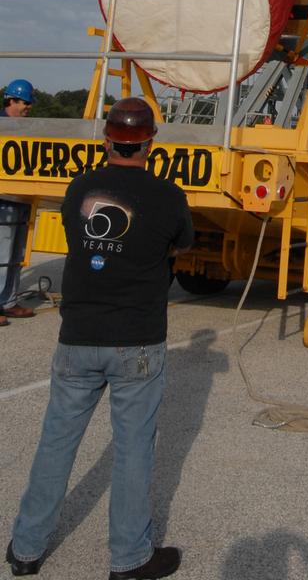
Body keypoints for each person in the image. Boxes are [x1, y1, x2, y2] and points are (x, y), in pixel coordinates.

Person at [7, 97, 193, 580]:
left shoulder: (80, 187)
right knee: (133, 449)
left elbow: (78, 234)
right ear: (150, 143)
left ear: (107, 139)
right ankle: (129, 559)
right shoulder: (169, 196)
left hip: (78, 336)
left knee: (56, 442)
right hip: (137, 340)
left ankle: (25, 550)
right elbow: (182, 242)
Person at [0, 79, 37, 327]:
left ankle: (9, 301)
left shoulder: (26, 128)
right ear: (11, 100)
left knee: (16, 254)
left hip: (22, 198)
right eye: (25, 102)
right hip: (3, 198)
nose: (28, 107)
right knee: (2, 252)